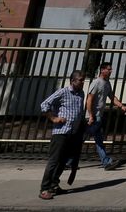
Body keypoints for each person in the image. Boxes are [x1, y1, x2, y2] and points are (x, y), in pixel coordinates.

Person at [39, 71, 86, 200]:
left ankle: (54, 185)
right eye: (80, 80)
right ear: (72, 81)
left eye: (83, 80)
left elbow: (79, 112)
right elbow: (44, 104)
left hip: (73, 133)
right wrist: (54, 118)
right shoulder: (63, 92)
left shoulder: (81, 94)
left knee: (63, 162)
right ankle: (44, 188)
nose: (82, 83)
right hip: (61, 132)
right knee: (54, 161)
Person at [83, 62, 126, 171]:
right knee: (89, 139)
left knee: (95, 139)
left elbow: (112, 97)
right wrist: (90, 115)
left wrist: (121, 106)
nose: (110, 71)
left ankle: (106, 162)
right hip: (93, 117)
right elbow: (89, 99)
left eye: (110, 69)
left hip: (98, 116)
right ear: (102, 70)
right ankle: (106, 162)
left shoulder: (107, 83)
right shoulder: (96, 83)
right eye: (108, 69)